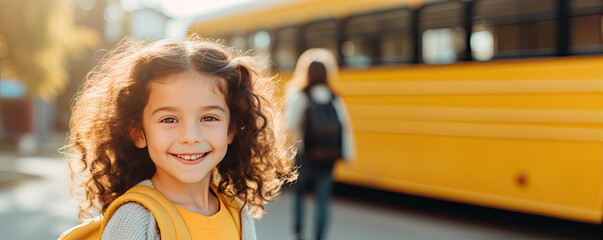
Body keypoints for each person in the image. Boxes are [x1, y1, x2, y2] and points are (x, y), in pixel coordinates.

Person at [62, 36, 296, 239]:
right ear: (138, 132)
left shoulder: (236, 210)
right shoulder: (134, 219)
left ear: (231, 129)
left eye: (209, 118)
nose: (190, 137)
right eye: (169, 120)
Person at [285, 49, 355, 240]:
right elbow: (345, 126)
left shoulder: (301, 95)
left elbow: (290, 123)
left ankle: (299, 234)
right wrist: (348, 154)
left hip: (304, 153)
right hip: (328, 156)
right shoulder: (334, 97)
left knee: (299, 194)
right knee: (322, 199)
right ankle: (319, 236)